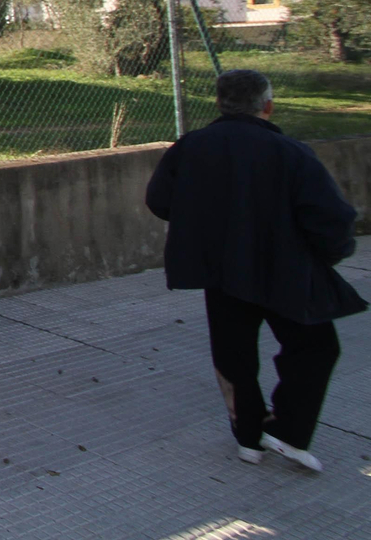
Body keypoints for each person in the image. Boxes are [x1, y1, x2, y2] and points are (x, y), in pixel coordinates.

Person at [146, 68, 365, 471]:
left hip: (220, 271)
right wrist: (331, 253)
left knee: (234, 356)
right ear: (268, 105)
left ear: (219, 103)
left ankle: (248, 438)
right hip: (286, 270)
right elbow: (330, 218)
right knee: (316, 347)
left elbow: (160, 201)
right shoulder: (291, 152)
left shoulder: (191, 147)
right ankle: (287, 431)